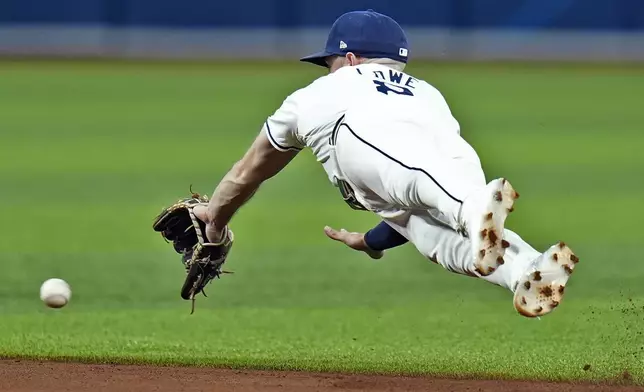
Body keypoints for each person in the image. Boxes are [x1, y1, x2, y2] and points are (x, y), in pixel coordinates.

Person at [188, 9, 580, 317]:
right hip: (453, 167)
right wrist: (371, 240)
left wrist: (215, 217)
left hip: (367, 142)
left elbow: (248, 171)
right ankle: (528, 271)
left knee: (424, 193)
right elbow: (409, 199)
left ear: (351, 57)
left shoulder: (322, 91)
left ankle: (473, 209)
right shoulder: (428, 93)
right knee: (430, 234)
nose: (328, 69)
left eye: (330, 61)